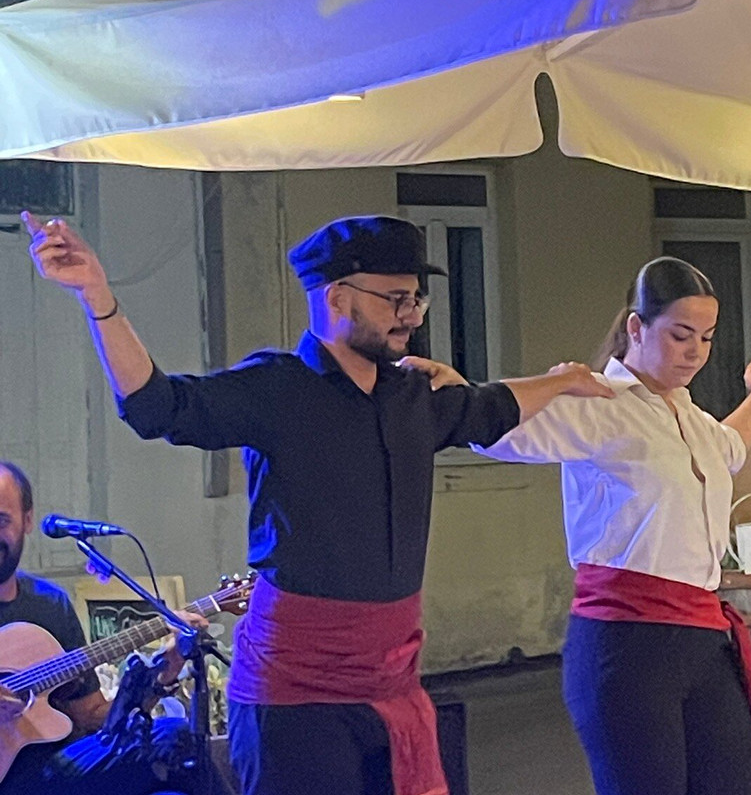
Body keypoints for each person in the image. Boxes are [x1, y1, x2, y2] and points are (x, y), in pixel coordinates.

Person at [23, 211, 612, 795]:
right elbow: (158, 406)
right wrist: (97, 298)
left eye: (416, 300)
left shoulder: (412, 395)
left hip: (391, 680)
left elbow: (490, 406)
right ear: (338, 296)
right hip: (293, 690)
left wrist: (564, 380)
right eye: (395, 300)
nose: (411, 316)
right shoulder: (277, 388)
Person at [473, 256, 751, 795]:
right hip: (627, 643)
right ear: (636, 327)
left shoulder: (689, 417)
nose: (695, 351)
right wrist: (546, 383)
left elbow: (732, 446)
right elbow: (490, 428)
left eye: (706, 338)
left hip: (702, 639)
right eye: (681, 335)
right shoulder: (597, 404)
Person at [0, 460, 207, 795]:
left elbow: (92, 717)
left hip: (60, 771)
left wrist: (161, 676)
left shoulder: (50, 603)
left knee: (175, 738)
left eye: (1, 520)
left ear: (27, 520)